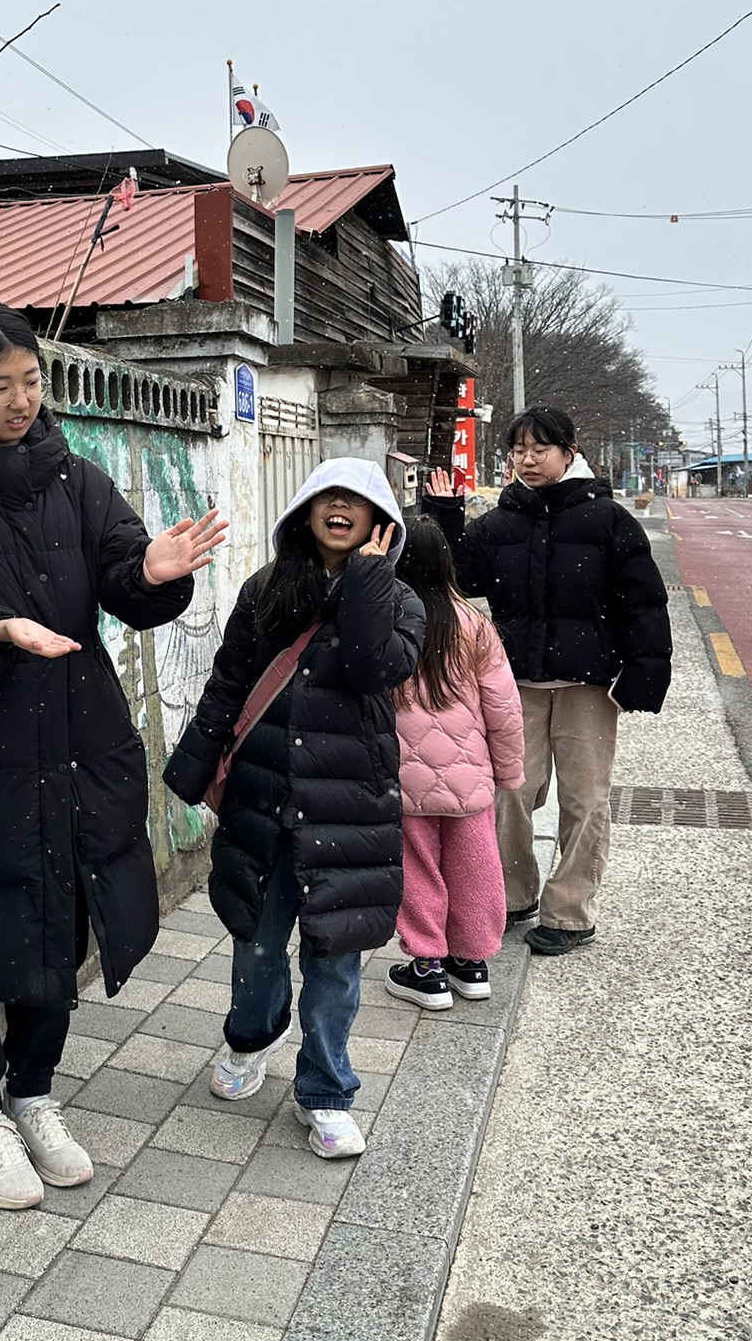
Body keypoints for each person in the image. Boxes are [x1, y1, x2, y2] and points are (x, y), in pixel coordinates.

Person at [0, 302, 225, 1208]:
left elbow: (124, 574)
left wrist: (152, 575)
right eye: (0, 386)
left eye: (32, 380)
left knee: (61, 918)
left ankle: (32, 1094)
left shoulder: (77, 479)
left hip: (79, 736)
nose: (22, 399)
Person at [164, 460, 424, 1159]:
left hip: (348, 812)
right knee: (254, 941)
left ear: (380, 521)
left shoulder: (401, 601)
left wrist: (365, 582)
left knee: (335, 961)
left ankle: (326, 1092)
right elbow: (229, 682)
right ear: (305, 511)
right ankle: (251, 1038)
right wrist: (196, 766)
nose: (339, 507)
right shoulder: (267, 589)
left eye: (356, 500)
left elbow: (373, 669)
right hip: (265, 800)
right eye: (327, 497)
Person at [422, 405, 671, 957]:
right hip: (517, 684)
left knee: (585, 799)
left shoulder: (608, 520)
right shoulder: (502, 521)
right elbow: (458, 576)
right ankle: (513, 894)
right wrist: (444, 516)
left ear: (569, 452)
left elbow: (644, 601)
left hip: (589, 687)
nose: (528, 460)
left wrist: (645, 671)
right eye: (518, 451)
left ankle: (570, 913)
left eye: (540, 449)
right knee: (510, 791)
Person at [384, 516, 525, 1011]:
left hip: (405, 775)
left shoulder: (388, 617)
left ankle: (427, 968)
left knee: (416, 866)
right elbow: (504, 706)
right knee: (475, 863)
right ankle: (472, 962)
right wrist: (509, 771)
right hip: (469, 777)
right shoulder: (474, 624)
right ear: (447, 564)